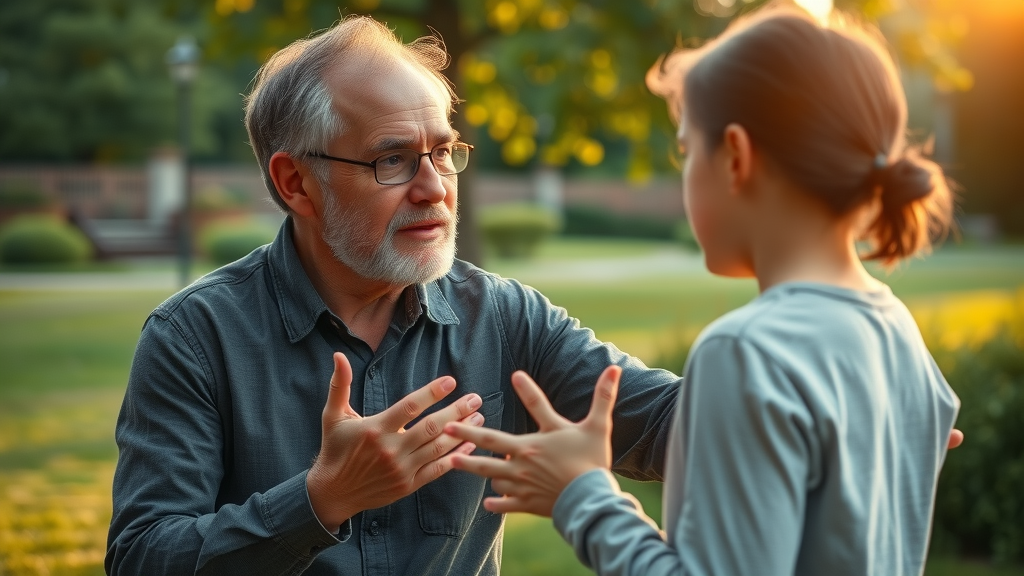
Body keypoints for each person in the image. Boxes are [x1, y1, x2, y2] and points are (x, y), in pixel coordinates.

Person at [104, 15, 682, 576]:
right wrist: (319, 501)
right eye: (393, 160)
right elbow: (142, 557)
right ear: (295, 183)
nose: (434, 188)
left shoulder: (504, 318)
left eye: (443, 153)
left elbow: (671, 425)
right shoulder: (195, 337)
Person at [446, 6, 961, 576]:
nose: (685, 172)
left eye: (688, 151)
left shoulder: (745, 351)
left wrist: (583, 494)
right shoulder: (896, 330)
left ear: (736, 157)